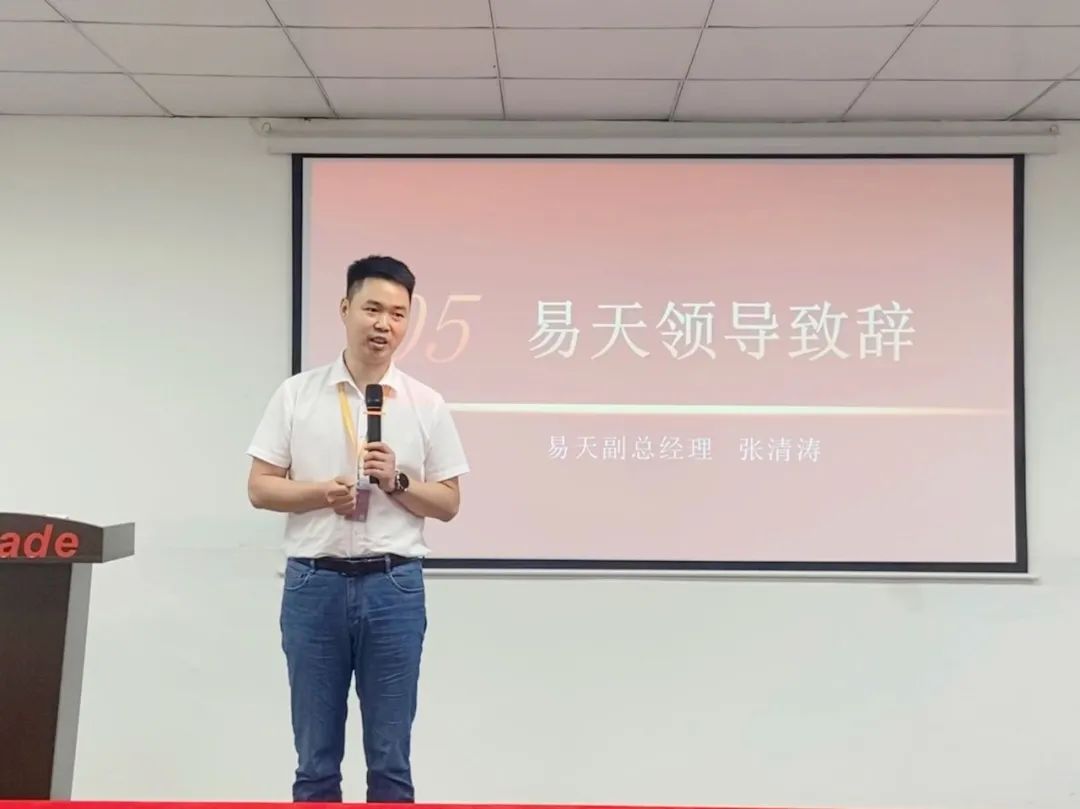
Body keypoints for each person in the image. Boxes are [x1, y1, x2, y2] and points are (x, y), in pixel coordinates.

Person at [246, 255, 469, 803]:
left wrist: (397, 481)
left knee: (391, 760)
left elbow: (448, 503)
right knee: (315, 759)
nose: (384, 324)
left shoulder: (426, 404)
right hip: (313, 583)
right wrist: (322, 493)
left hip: (393, 587)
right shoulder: (297, 394)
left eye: (398, 313)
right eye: (372, 309)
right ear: (345, 308)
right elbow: (260, 487)